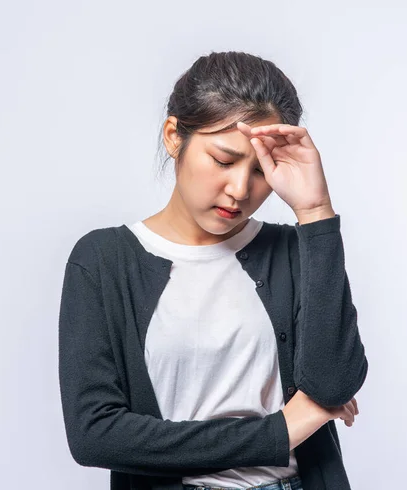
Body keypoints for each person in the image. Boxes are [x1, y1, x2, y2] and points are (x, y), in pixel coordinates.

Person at [58, 51, 368, 490]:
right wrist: (283, 430)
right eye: (224, 160)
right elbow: (96, 435)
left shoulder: (292, 252)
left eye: (262, 170)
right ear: (173, 136)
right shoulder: (104, 261)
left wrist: (315, 212)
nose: (240, 189)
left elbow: (333, 383)